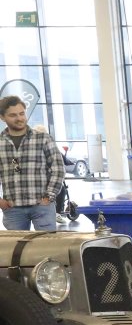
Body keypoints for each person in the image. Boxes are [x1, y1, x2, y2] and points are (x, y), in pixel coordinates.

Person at [0, 94, 63, 232]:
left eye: (21, 113)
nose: (19, 118)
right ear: (2, 117)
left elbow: (58, 169)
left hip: (42, 205)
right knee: (16, 246)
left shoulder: (43, 139)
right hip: (12, 208)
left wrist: (49, 196)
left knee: (47, 244)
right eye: (13, 115)